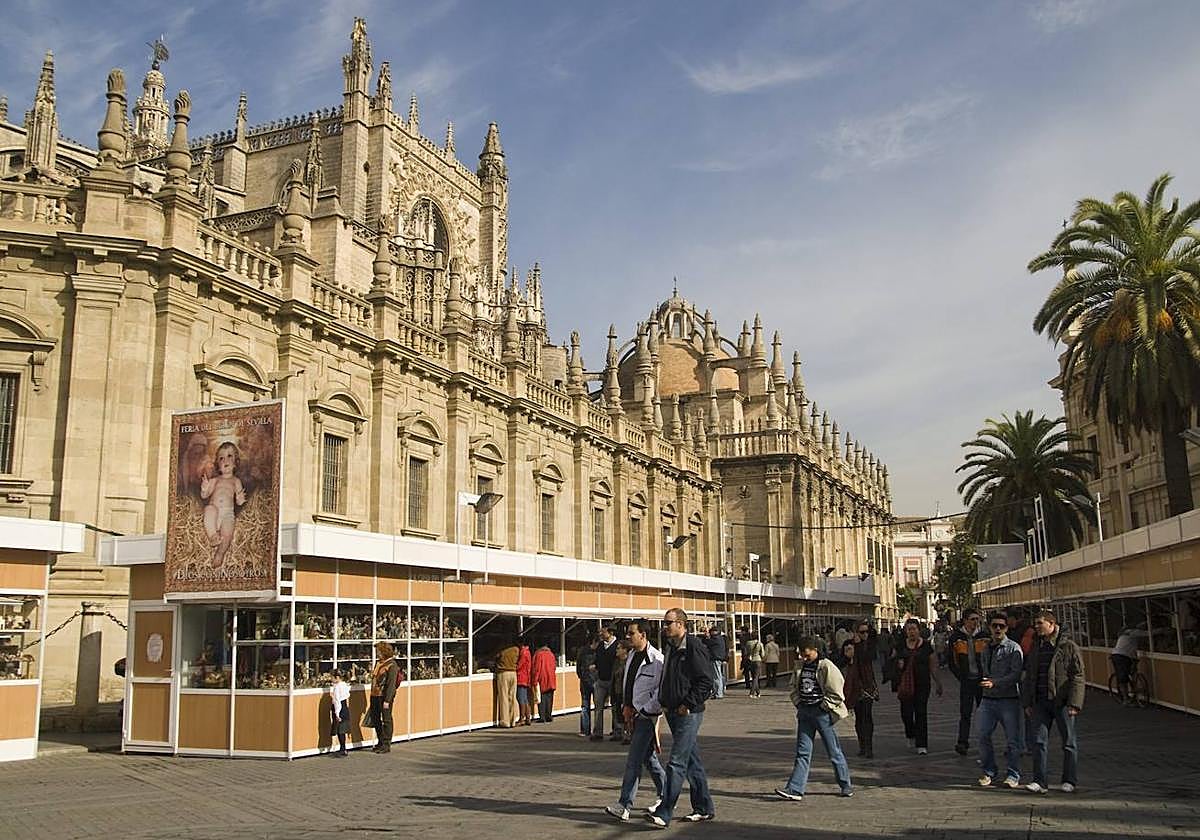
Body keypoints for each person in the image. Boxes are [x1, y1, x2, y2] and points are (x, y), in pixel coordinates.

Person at [647, 607, 715, 828]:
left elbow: (706, 681)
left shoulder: (693, 646)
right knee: (692, 761)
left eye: (669, 623)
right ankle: (704, 807)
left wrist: (688, 704)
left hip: (688, 712)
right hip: (672, 711)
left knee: (676, 762)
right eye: (664, 623)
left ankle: (665, 811)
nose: (665, 627)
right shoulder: (671, 646)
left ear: (681, 624)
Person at [775, 635, 853, 801]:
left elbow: (837, 690)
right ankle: (795, 789)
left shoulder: (826, 666)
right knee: (802, 752)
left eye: (806, 653)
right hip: (805, 713)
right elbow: (793, 686)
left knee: (833, 750)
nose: (803, 656)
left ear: (815, 650)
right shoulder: (800, 666)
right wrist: (798, 703)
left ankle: (845, 784)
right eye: (801, 653)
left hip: (821, 714)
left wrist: (824, 706)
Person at [605, 619, 667, 823]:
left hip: (647, 716)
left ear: (643, 635)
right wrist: (626, 706)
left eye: (632, 633)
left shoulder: (656, 659)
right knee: (648, 758)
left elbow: (660, 690)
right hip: (632, 713)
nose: (628, 637)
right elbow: (629, 684)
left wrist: (648, 709)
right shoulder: (631, 655)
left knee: (633, 761)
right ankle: (667, 794)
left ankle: (624, 805)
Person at [1021, 609, 1084, 794]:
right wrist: (1027, 703)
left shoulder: (1068, 646)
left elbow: (1078, 675)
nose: (1037, 627)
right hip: (1040, 701)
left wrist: (1075, 703)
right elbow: (1030, 675)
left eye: (1040, 623)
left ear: (1051, 624)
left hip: (1062, 701)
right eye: (1036, 623)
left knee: (1068, 742)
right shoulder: (1036, 646)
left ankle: (1069, 780)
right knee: (1039, 742)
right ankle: (1040, 781)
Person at [976, 611, 1024, 788]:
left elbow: (1015, 675)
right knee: (983, 734)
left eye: (1001, 626)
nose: (997, 629)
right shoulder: (986, 647)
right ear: (989, 627)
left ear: (1006, 628)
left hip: (1008, 699)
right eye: (994, 625)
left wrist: (994, 683)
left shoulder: (1013, 648)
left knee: (1012, 739)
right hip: (988, 700)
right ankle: (989, 771)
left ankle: (1013, 774)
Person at [891, 618, 942, 755]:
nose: (911, 632)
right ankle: (910, 733)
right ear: (905, 631)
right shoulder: (900, 646)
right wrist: (897, 664)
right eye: (909, 629)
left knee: (921, 713)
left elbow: (933, 665)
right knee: (906, 714)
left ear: (919, 630)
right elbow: (891, 663)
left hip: (922, 684)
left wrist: (938, 682)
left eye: (914, 629)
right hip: (905, 685)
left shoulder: (926, 646)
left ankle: (922, 744)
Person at [200, 440, 246, 567]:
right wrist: (204, 487)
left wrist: (240, 499)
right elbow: (204, 495)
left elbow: (239, 499)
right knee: (209, 509)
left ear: (236, 462)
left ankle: (220, 554)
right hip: (215, 509)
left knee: (227, 532)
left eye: (229, 456)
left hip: (227, 513)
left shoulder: (236, 481)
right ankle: (213, 536)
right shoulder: (215, 480)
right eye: (221, 458)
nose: (225, 460)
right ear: (218, 465)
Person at [948, 609, 987, 755]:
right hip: (967, 680)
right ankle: (962, 742)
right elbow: (951, 660)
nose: (975, 622)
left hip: (981, 680)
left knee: (984, 712)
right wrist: (960, 676)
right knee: (965, 713)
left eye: (977, 619)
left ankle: (985, 741)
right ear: (965, 620)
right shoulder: (956, 638)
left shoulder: (984, 636)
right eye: (972, 619)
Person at [841, 637, 877, 759]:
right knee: (859, 719)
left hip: (866, 693)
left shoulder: (862, 661)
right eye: (846, 650)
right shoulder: (846, 664)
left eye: (850, 649)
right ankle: (862, 746)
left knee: (867, 718)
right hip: (854, 695)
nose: (848, 652)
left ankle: (869, 747)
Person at [371, 641, 400, 753]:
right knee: (376, 719)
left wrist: (387, 699)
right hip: (375, 694)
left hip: (384, 696)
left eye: (378, 651)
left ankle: (386, 744)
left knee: (386, 719)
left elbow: (391, 684)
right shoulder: (378, 663)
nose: (377, 653)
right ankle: (380, 741)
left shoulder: (392, 665)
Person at [592, 625, 619, 741]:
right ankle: (598, 732)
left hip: (613, 680)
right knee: (598, 707)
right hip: (601, 680)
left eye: (603, 632)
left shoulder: (618, 646)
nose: (601, 634)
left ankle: (617, 731)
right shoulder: (600, 646)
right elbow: (597, 660)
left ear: (610, 632)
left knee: (615, 707)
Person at [1110, 624, 1147, 704]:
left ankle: (1133, 690)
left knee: (1132, 671)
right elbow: (1147, 634)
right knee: (1123, 678)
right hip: (1120, 656)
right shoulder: (1132, 632)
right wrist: (1162, 631)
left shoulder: (1125, 633)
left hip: (1123, 655)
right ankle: (1125, 699)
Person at [495, 635, 520, 728]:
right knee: (512, 697)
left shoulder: (502, 649)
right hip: (513, 673)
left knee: (504, 697)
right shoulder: (516, 649)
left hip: (503, 672)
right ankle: (513, 720)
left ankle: (505, 721)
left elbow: (496, 657)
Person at [531, 639, 557, 722]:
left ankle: (542, 716)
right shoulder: (551, 654)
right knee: (549, 698)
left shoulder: (538, 655)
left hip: (542, 679)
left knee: (541, 698)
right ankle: (549, 715)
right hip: (551, 679)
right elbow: (554, 667)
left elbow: (536, 668)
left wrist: (534, 680)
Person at [576, 635, 597, 737]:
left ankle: (585, 729)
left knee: (585, 706)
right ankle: (597, 730)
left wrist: (581, 676)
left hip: (584, 681)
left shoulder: (582, 651)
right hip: (595, 681)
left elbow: (578, 667)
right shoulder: (598, 652)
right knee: (597, 706)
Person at [329, 668, 350, 757]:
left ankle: (342, 748)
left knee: (339, 729)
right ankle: (343, 748)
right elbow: (347, 695)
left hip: (339, 707)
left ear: (337, 677)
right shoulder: (345, 685)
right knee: (343, 729)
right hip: (344, 706)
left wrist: (337, 713)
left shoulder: (337, 687)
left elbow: (337, 700)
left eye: (332, 678)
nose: (331, 679)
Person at [611, 642, 629, 742]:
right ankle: (620, 733)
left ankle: (628, 734)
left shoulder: (628, 662)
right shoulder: (616, 662)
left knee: (626, 714)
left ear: (625, 650)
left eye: (619, 648)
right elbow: (613, 678)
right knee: (618, 713)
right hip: (617, 691)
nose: (616, 650)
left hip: (624, 692)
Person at [704, 626, 728, 699]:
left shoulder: (715, 639)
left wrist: (706, 637)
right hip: (719, 658)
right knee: (720, 676)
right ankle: (720, 691)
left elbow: (706, 642)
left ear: (715, 632)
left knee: (716, 677)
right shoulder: (721, 638)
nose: (710, 633)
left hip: (715, 658)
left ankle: (718, 693)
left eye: (711, 631)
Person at [515, 638, 533, 726]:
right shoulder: (528, 652)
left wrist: (514, 667)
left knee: (521, 699)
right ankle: (528, 717)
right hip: (526, 677)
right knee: (525, 699)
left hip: (521, 678)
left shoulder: (523, 652)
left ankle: (522, 718)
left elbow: (519, 665)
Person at [743, 632, 764, 697]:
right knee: (756, 677)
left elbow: (745, 652)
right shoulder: (760, 643)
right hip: (757, 660)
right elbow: (763, 654)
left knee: (753, 677)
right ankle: (751, 693)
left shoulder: (748, 643)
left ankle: (758, 692)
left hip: (750, 661)